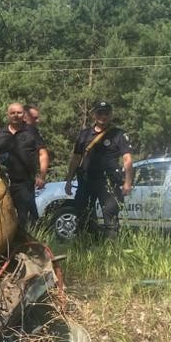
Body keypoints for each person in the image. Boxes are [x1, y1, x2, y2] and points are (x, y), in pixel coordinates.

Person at [64, 101, 132, 239]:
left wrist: (128, 182)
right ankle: (86, 245)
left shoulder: (118, 134)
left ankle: (111, 247)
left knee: (110, 214)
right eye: (100, 113)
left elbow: (127, 159)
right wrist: (69, 180)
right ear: (94, 115)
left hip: (108, 182)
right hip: (86, 180)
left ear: (111, 115)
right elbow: (76, 158)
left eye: (106, 113)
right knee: (83, 214)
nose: (103, 116)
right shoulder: (84, 134)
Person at [0, 102, 42, 229]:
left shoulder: (31, 132)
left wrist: (41, 174)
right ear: (8, 115)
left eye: (19, 113)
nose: (16, 115)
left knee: (25, 216)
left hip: (24, 182)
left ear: (23, 115)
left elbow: (42, 153)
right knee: (5, 216)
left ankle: (32, 237)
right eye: (12, 113)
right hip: (3, 183)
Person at [25, 104, 51, 186]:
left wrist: (42, 176)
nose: (38, 121)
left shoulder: (32, 132)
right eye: (34, 118)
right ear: (24, 117)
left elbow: (43, 154)